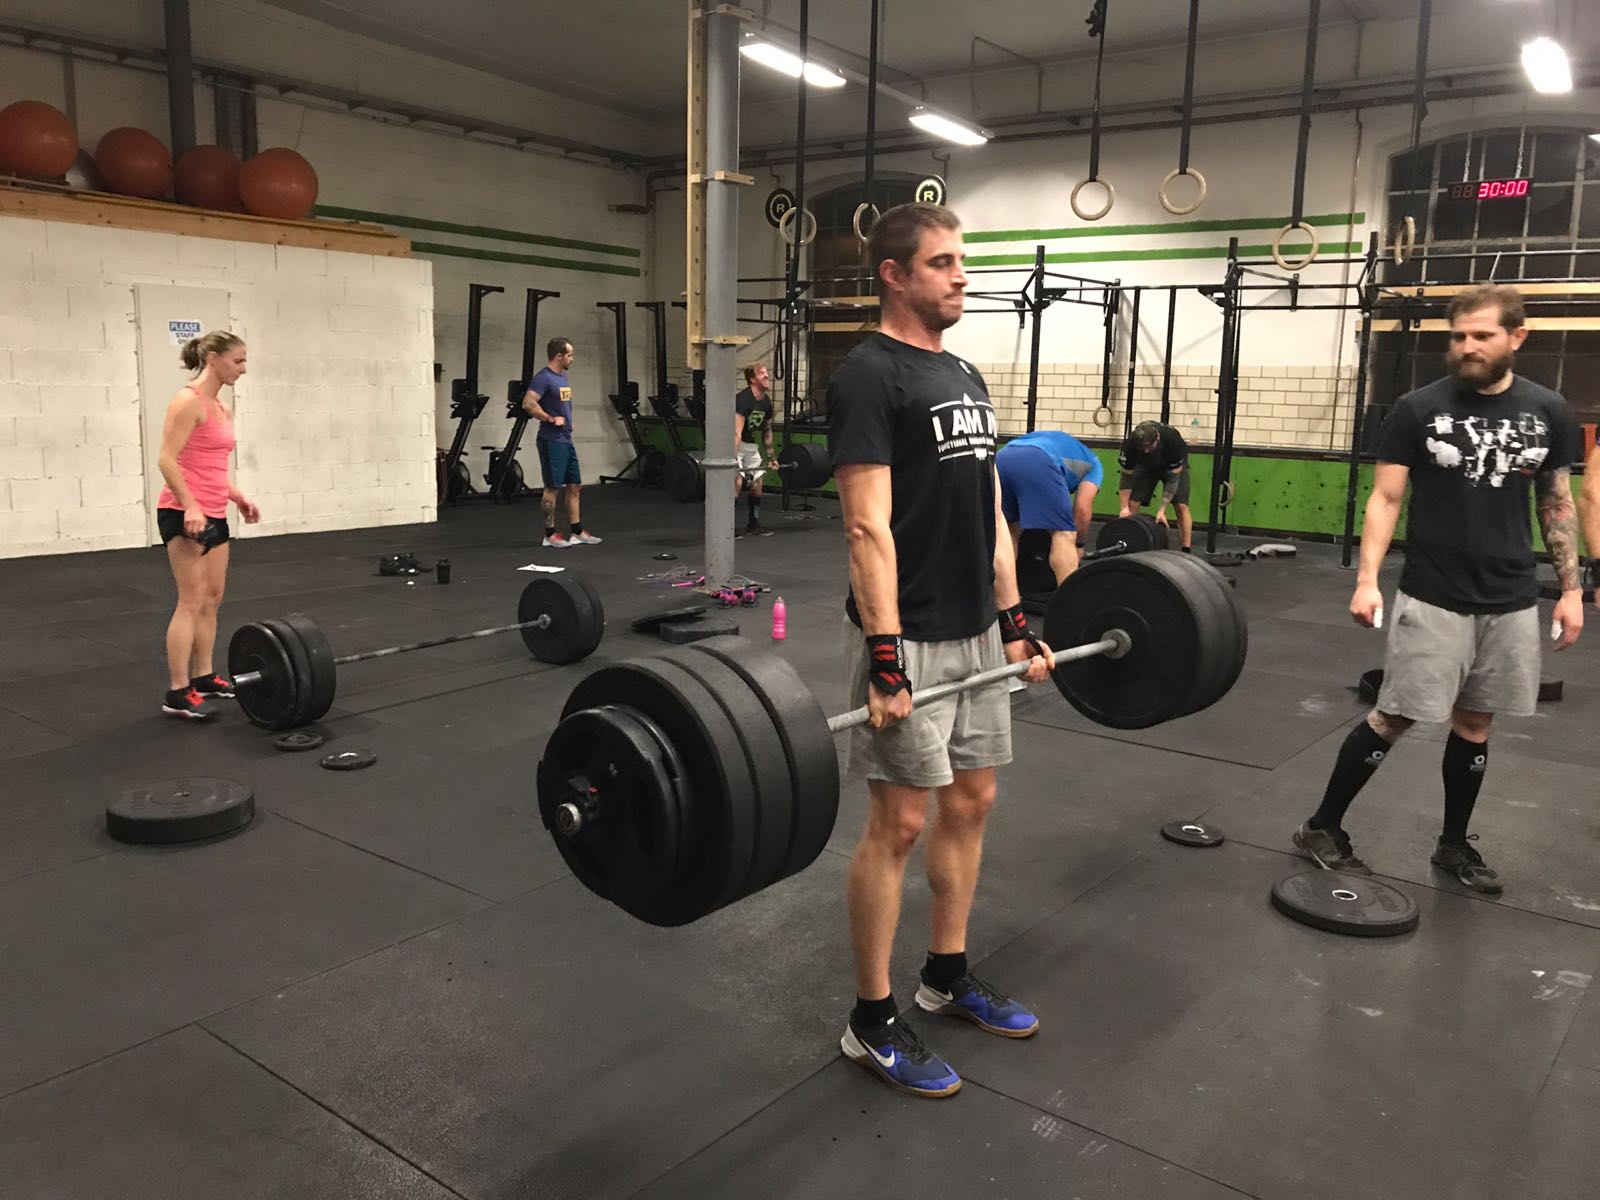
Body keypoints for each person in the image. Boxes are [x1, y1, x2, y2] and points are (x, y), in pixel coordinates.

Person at [827, 202, 1054, 1099]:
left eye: (962, 261)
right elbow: (866, 526)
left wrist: (1015, 616)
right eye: (943, 262)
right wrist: (885, 656)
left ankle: (946, 975)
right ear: (894, 274)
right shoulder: (868, 376)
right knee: (899, 825)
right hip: (911, 634)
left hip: (975, 630)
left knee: (973, 801)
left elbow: (988, 506)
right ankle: (871, 1018)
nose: (963, 276)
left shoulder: (962, 372)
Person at [1292, 284, 1583, 895]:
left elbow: (1556, 502)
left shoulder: (1549, 409)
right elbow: (1385, 498)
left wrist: (1571, 589)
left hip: (1510, 597)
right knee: (1394, 716)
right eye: (1458, 336)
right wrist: (1367, 580)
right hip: (1434, 593)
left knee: (1476, 723)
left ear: (1517, 336)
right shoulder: (1417, 408)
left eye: (1482, 335)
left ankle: (1453, 845)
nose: (1468, 346)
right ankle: (1322, 827)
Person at [155, 331, 260, 721]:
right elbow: (167, 460)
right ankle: (177, 692)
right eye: (238, 361)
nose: (243, 369)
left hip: (213, 510)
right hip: (184, 512)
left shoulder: (221, 407)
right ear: (213, 358)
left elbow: (211, 466)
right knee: (191, 599)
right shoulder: (188, 401)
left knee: (212, 598)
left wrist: (238, 497)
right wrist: (190, 505)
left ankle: (204, 677)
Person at [996, 428, 1104, 583]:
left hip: (1001, 457)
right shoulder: (1094, 465)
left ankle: (1005, 596)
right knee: (1063, 534)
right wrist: (1078, 544)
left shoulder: (1063, 444)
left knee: (1009, 532)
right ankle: (1070, 596)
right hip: (1038, 460)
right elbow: (1082, 507)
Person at [524, 337, 601, 548]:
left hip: (566, 439)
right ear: (559, 356)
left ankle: (577, 531)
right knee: (552, 488)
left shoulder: (562, 378)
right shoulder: (543, 378)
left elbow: (563, 404)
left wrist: (569, 419)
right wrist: (550, 418)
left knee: (575, 485)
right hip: (551, 440)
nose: (572, 359)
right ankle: (549, 535)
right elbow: (528, 404)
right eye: (569, 355)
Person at [1117, 419, 1191, 551]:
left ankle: (1186, 550)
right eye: (1142, 447)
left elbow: (1172, 481)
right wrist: (1124, 507)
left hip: (1171, 467)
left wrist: (1162, 510)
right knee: (1132, 504)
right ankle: (1130, 545)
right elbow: (1126, 478)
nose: (1146, 450)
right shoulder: (1130, 444)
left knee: (1181, 506)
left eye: (1149, 446)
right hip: (1145, 466)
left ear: (1157, 438)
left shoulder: (1172, 441)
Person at [734, 362, 778, 537]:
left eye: (766, 373)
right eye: (762, 373)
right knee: (736, 482)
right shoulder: (743, 400)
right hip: (734, 443)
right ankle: (727, 527)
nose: (767, 376)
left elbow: (766, 430)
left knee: (757, 484)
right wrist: (733, 458)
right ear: (752, 379)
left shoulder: (765, 401)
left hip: (750, 444)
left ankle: (753, 525)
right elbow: (736, 432)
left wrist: (772, 457)